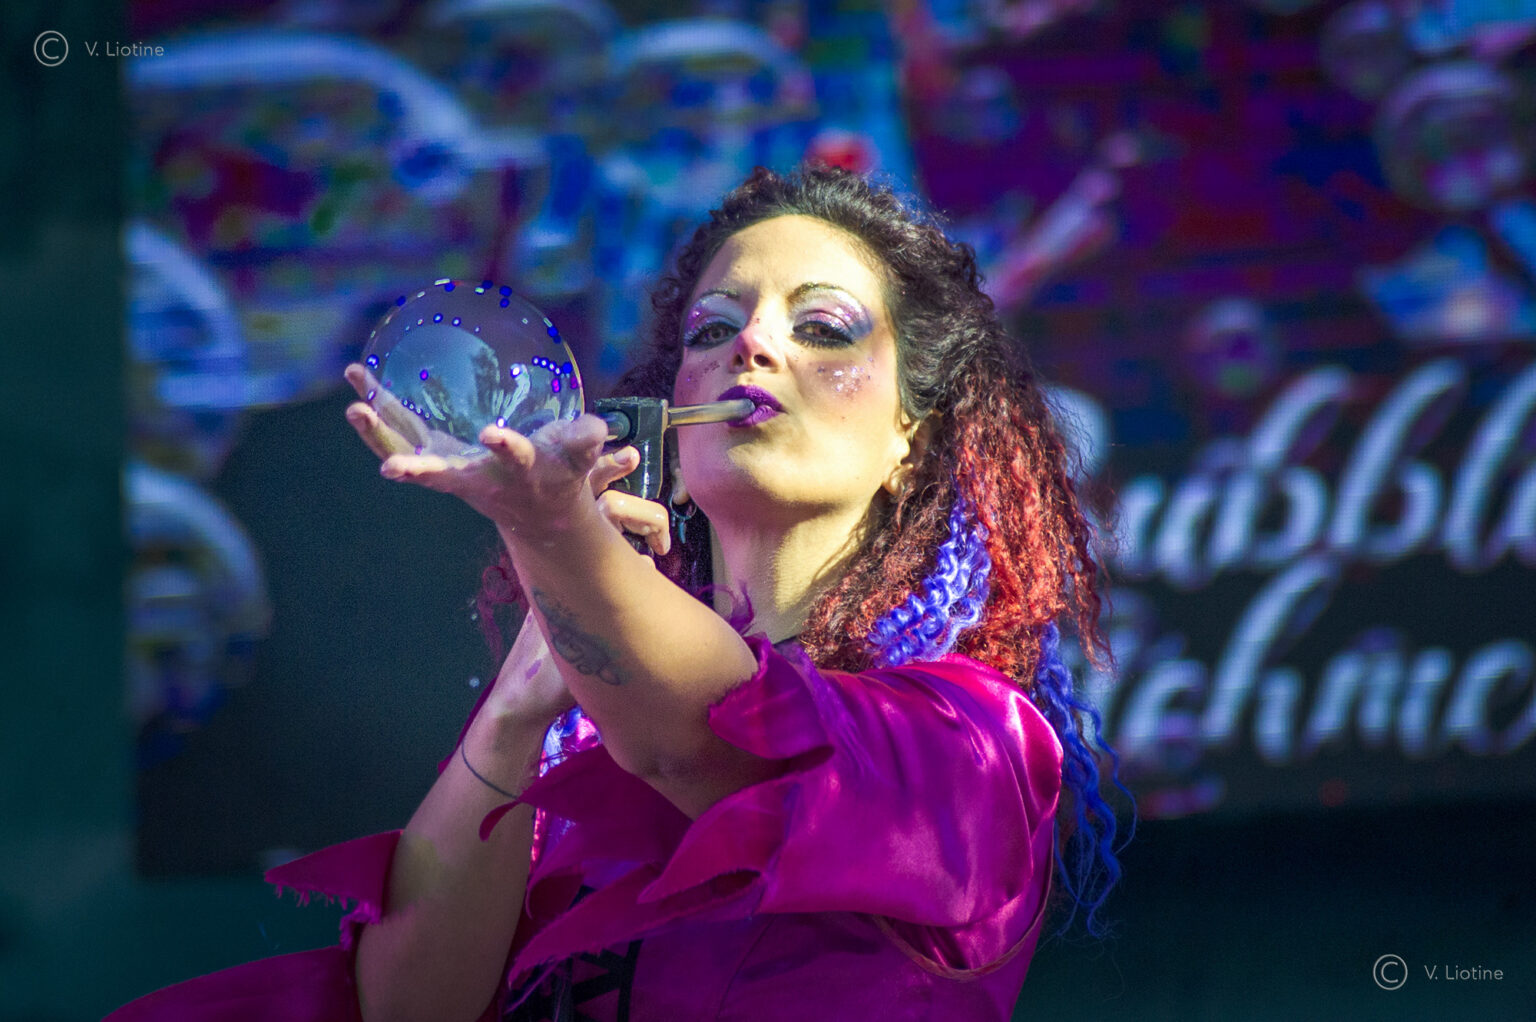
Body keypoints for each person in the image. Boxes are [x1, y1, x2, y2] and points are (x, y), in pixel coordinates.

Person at [109, 165, 1128, 1022]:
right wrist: (517, 708)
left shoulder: (976, 740)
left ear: (915, 434)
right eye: (711, 329)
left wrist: (553, 534)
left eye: (822, 326)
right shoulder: (586, 738)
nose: (751, 345)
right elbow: (409, 1006)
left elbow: (711, 737)